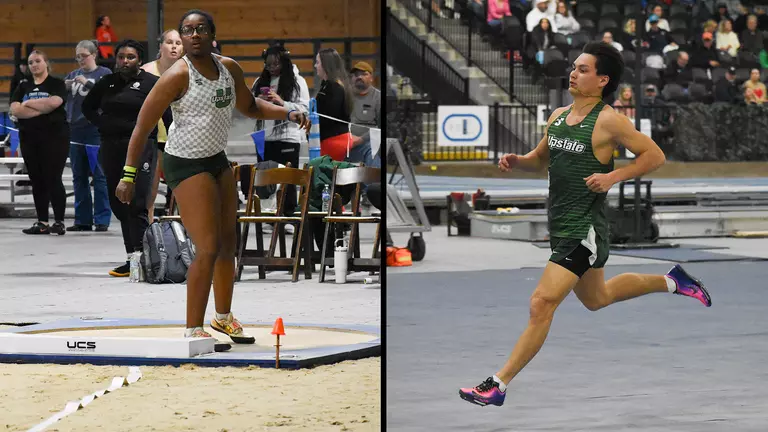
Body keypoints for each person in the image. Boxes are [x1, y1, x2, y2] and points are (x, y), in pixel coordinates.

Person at [458, 42, 712, 407]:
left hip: (583, 229)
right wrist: (519, 160)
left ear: (602, 80)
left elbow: (655, 155)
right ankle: (673, 281)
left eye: (583, 69)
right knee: (597, 298)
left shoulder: (609, 120)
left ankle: (497, 384)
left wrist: (614, 177)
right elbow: (541, 159)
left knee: (541, 303)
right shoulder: (558, 116)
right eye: (574, 67)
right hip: (561, 224)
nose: (573, 73)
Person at [114, 10, 310, 342]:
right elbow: (142, 126)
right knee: (206, 246)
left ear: (212, 35)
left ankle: (223, 318)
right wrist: (128, 176)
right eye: (187, 30)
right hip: (184, 162)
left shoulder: (228, 68)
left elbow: (250, 107)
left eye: (200, 29)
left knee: (227, 244)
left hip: (216, 159)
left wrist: (288, 111)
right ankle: (193, 328)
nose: (193, 35)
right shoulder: (177, 75)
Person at [82, 39, 171, 277]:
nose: (124, 61)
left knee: (138, 202)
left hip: (143, 146)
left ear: (139, 60)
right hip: (111, 146)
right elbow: (87, 107)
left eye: (130, 57)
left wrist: (170, 140)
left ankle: (146, 259)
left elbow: (168, 112)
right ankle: (131, 258)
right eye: (121, 57)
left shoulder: (152, 83)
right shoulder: (107, 82)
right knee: (119, 202)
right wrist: (103, 123)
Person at [9, 50, 70, 235]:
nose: (34, 65)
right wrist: (40, 107)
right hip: (29, 138)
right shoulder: (23, 85)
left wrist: (27, 104)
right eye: (30, 62)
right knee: (37, 179)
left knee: (53, 178)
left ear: (46, 63)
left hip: (55, 137)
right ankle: (42, 221)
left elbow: (54, 103)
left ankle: (59, 221)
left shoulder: (56, 83)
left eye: (37, 61)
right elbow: (15, 109)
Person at [251, 41, 310, 223]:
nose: (272, 69)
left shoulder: (298, 82)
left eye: (275, 64)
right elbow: (249, 108)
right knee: (266, 176)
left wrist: (281, 102)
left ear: (284, 62)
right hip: (264, 136)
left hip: (288, 137)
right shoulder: (259, 81)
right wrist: (257, 101)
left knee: (288, 178)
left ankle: (289, 216)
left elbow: (304, 109)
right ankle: (269, 216)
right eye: (268, 65)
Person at [64, 40, 113, 232]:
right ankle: (82, 219)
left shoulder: (104, 74)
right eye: (77, 56)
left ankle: (102, 218)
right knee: (79, 177)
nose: (80, 60)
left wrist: (89, 84)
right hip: (75, 131)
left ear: (94, 55)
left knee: (100, 176)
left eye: (83, 56)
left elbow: (108, 95)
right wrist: (65, 86)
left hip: (95, 132)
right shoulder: (73, 75)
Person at [141, 29, 184, 218]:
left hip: (182, 136)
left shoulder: (188, 70)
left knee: (183, 188)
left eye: (178, 43)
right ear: (161, 46)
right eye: (169, 42)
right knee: (150, 190)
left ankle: (185, 230)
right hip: (154, 136)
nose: (174, 46)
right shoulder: (146, 71)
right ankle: (148, 230)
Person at [314, 48, 354, 161]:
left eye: (317, 62)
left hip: (334, 141)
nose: (315, 66)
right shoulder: (328, 85)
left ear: (326, 65)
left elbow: (328, 117)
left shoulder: (334, 87)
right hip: (331, 140)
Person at [348, 61, 381, 168]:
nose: (359, 77)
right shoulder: (344, 95)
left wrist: (361, 139)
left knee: (372, 151)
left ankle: (372, 184)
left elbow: (380, 128)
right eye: (356, 75)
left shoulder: (378, 98)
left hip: (366, 144)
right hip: (344, 142)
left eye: (364, 74)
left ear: (371, 78)